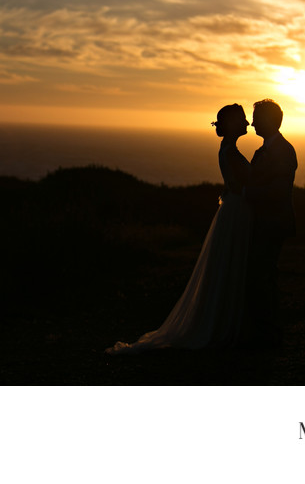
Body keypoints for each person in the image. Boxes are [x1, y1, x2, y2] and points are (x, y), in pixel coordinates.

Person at [105, 104, 252, 354]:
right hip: (237, 211)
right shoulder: (229, 152)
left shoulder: (228, 149)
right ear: (231, 124)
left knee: (227, 267)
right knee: (229, 266)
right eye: (242, 119)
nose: (247, 123)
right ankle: (223, 326)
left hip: (234, 210)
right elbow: (240, 186)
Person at [243, 99, 297, 348]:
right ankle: (265, 329)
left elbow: (278, 190)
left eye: (256, 117)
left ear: (268, 120)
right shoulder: (263, 151)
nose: (252, 123)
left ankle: (269, 333)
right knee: (261, 275)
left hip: (272, 223)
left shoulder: (284, 151)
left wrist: (247, 195)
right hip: (262, 222)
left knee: (262, 276)